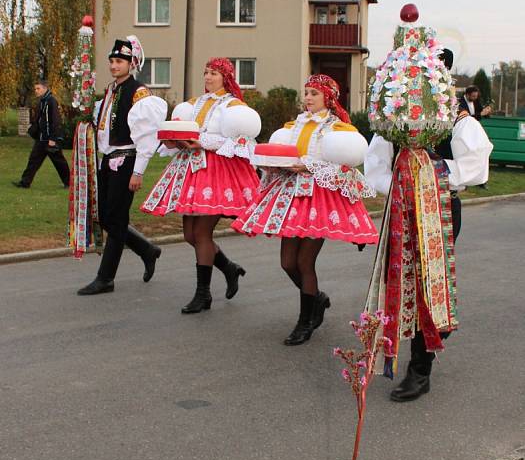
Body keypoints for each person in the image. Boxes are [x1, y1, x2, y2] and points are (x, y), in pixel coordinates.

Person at [364, 49, 493, 401]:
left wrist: (431, 174)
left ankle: (420, 368)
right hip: (401, 207)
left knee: (429, 281)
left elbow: (476, 166)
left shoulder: (458, 119)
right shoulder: (394, 121)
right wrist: (399, 180)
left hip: (441, 207)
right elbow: (375, 165)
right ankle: (420, 335)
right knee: (400, 280)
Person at [232, 74, 378, 345]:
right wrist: (274, 164)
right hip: (290, 196)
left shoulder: (338, 129)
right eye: (306, 92)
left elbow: (344, 165)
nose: (308, 98)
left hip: (318, 199)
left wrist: (309, 165)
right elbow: (282, 152)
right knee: (287, 263)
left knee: (304, 262)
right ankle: (317, 299)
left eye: (314, 93)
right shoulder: (293, 125)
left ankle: (304, 321)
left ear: (328, 98)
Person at [141, 57, 261, 313]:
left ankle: (203, 294)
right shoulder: (194, 104)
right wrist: (175, 140)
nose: (207, 77)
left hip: (218, 172)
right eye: (206, 72)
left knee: (202, 234)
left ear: (225, 78)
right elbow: (184, 130)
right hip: (192, 170)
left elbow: (241, 141)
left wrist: (202, 142)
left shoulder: (234, 106)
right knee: (189, 235)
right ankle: (229, 268)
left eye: (214, 73)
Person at [77, 36, 167, 295]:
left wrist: (138, 171)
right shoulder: (112, 89)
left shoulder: (138, 92)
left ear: (132, 63)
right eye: (112, 61)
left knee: (115, 219)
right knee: (106, 216)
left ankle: (106, 278)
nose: (114, 66)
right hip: (109, 159)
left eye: (119, 61)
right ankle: (147, 250)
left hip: (126, 160)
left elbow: (147, 135)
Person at [13, 80, 70, 189]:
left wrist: (53, 139)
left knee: (59, 162)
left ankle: (69, 183)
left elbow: (55, 121)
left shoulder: (51, 101)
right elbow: (40, 120)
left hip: (50, 139)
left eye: (38, 88)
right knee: (33, 161)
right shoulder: (42, 101)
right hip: (41, 139)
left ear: (45, 88)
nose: (36, 91)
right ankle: (25, 183)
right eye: (35, 89)